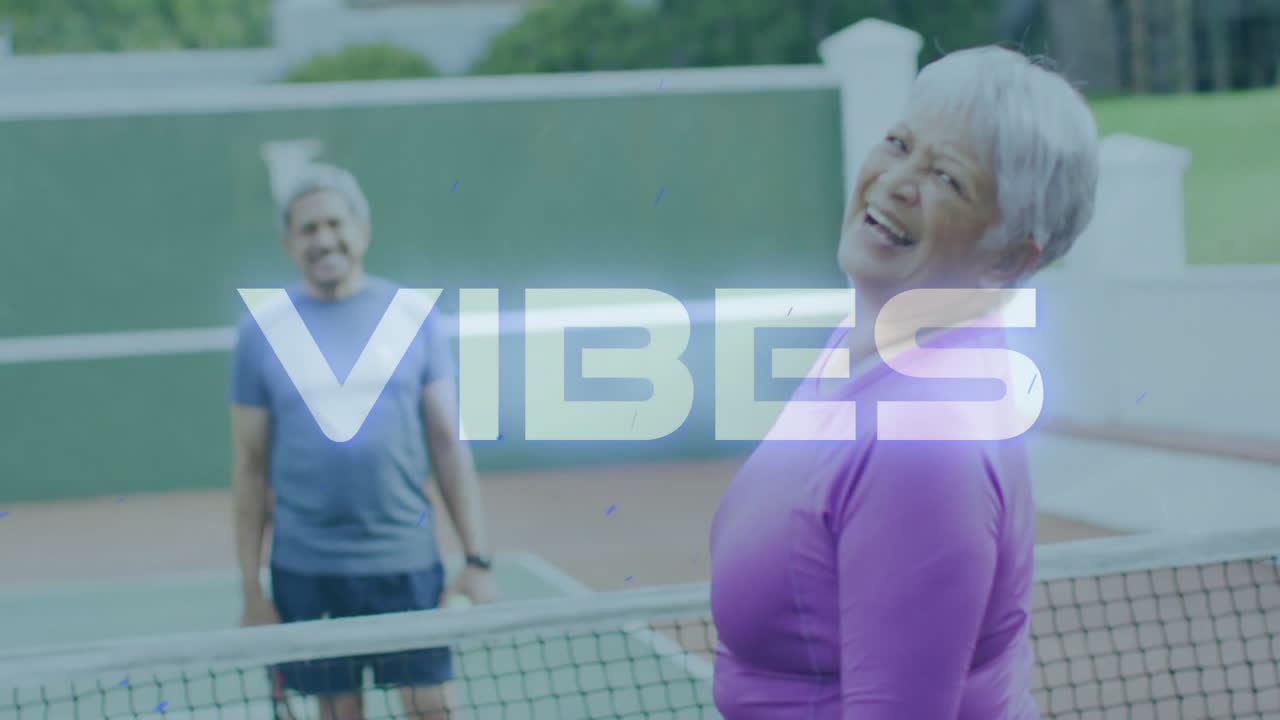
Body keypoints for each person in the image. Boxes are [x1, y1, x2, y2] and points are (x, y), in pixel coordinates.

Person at [708, 46, 1100, 719]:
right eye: (898, 144)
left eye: (948, 179)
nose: (897, 180)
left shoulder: (924, 441)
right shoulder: (864, 347)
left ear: (1009, 256)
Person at [229, 163, 499, 720]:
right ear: (288, 243)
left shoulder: (413, 315)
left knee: (432, 709)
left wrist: (477, 558)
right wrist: (252, 591)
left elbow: (448, 442)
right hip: (308, 571)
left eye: (334, 223)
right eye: (308, 229)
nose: (324, 239)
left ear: (362, 229)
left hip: (405, 562)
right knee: (339, 714)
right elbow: (249, 466)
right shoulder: (261, 330)